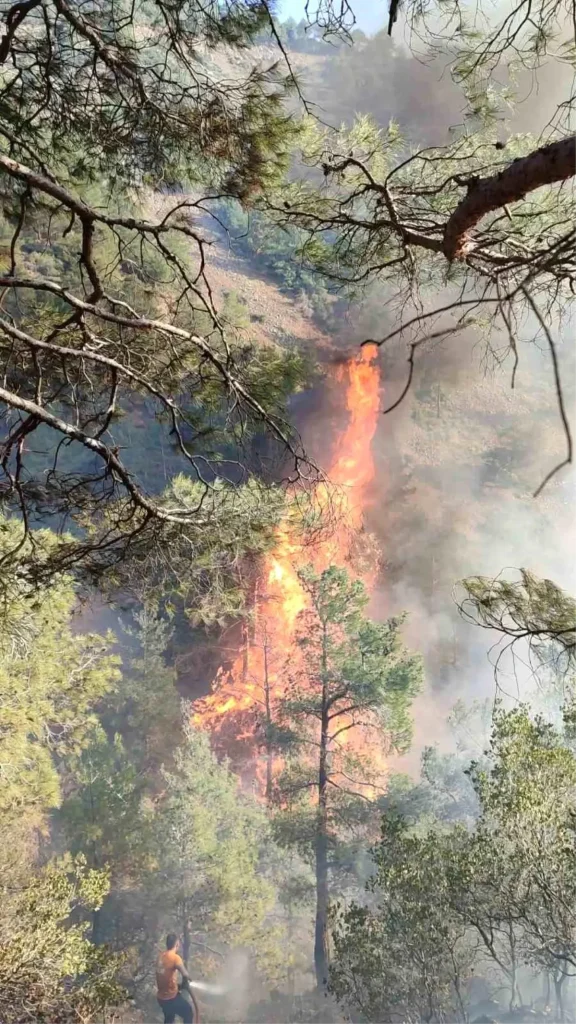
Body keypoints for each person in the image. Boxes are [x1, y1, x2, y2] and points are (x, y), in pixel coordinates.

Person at [156, 933, 200, 1024]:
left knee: (169, 1018)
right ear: (177, 944)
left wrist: (178, 986)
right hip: (170, 998)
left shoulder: (160, 956)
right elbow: (185, 975)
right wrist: (185, 981)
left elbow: (164, 977)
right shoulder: (175, 958)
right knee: (188, 1013)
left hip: (161, 998)